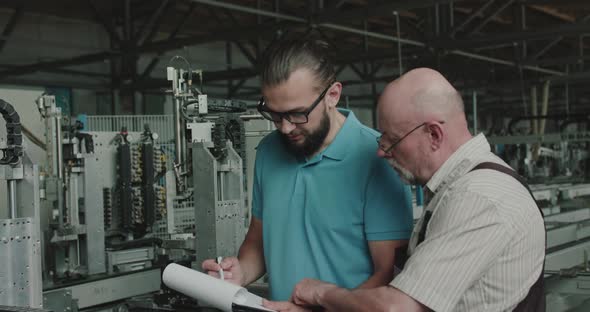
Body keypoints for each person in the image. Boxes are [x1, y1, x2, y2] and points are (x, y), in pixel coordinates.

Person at [286, 68, 546, 312]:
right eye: (381, 139)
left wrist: (322, 293)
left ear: (434, 135)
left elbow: (397, 307)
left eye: (392, 141)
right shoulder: (460, 186)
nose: (381, 151)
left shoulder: (477, 197)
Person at [201, 35, 413, 307]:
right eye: (275, 114)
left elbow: (389, 276)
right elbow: (258, 241)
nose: (285, 128)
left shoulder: (377, 158)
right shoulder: (268, 151)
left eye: (297, 114)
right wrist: (239, 272)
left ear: (332, 95)